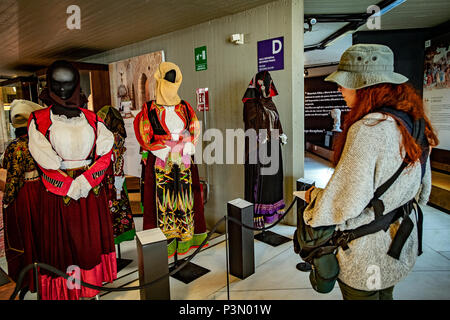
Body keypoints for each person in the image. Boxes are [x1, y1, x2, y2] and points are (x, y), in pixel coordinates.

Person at [301, 44, 438, 300]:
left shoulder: (368, 129)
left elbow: (344, 203)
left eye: (344, 83)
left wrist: (314, 199)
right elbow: (423, 191)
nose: (339, 89)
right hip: (397, 242)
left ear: (363, 86)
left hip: (365, 253)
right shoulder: (414, 122)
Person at [28, 60, 117, 300]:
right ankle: (66, 291)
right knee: (63, 245)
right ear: (49, 85)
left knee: (89, 243)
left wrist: (86, 181)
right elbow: (43, 161)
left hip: (90, 191)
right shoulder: (39, 120)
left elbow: (105, 152)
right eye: (57, 84)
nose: (63, 90)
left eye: (68, 84)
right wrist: (68, 185)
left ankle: (90, 288)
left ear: (76, 84)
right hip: (59, 196)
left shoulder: (91, 118)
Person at [134, 61, 207, 257]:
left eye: (175, 80)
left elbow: (194, 128)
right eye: (168, 79)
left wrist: (189, 143)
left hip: (183, 162)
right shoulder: (149, 109)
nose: (171, 84)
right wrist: (164, 149)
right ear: (159, 80)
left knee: (184, 200)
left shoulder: (185, 107)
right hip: (160, 163)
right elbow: (143, 134)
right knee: (162, 204)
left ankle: (184, 240)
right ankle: (164, 244)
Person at [1, 99, 45, 299]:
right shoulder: (40, 142)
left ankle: (28, 278)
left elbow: (14, 178)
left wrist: (8, 200)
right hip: (42, 191)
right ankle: (46, 274)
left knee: (26, 233)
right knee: (42, 231)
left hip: (25, 194)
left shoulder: (14, 147)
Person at [97, 105, 136, 245]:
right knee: (120, 206)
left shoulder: (107, 137)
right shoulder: (119, 136)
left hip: (108, 178)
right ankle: (121, 234)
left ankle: (112, 237)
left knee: (111, 209)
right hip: (118, 177)